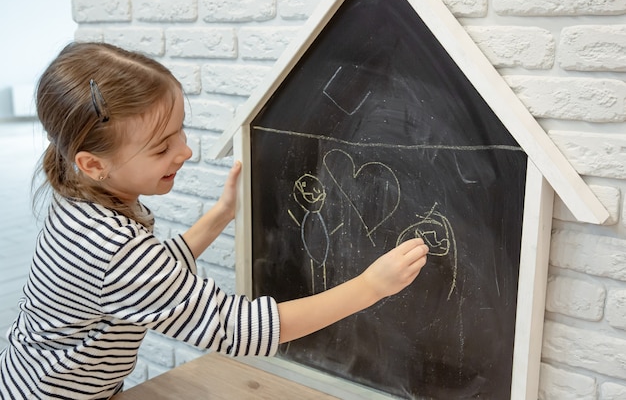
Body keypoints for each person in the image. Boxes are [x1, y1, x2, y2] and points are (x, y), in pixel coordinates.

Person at [0, 42, 428, 399]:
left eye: (180, 132)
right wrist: (371, 287)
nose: (183, 152)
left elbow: (149, 273)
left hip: (32, 375)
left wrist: (221, 214)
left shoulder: (77, 198)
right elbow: (238, 328)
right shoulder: (113, 249)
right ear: (94, 164)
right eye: (161, 147)